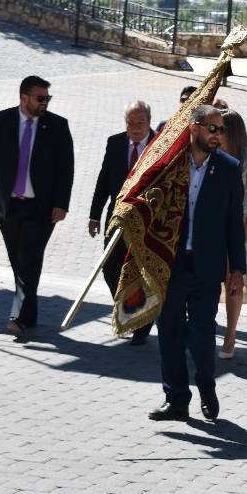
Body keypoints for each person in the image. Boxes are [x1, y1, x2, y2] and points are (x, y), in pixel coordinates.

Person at [150, 105, 246, 422]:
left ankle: (206, 388)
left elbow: (234, 223)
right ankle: (175, 398)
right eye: (212, 128)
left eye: (221, 130)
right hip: (172, 263)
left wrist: (237, 270)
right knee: (170, 330)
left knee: (202, 333)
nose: (218, 135)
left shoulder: (229, 169)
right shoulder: (171, 165)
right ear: (194, 128)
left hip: (207, 266)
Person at [0, 76, 75, 336]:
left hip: (42, 208)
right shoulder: (1, 121)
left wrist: (62, 204)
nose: (45, 103)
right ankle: (31, 314)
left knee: (29, 260)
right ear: (24, 97)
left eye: (48, 98)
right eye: (40, 98)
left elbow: (66, 168)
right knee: (18, 262)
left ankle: (18, 317)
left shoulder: (58, 126)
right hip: (8, 206)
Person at [89, 100, 154, 345]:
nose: (135, 128)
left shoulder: (161, 145)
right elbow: (104, 180)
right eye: (130, 122)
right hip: (116, 220)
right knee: (110, 268)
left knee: (140, 270)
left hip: (147, 224)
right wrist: (95, 215)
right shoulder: (115, 143)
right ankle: (130, 308)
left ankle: (142, 323)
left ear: (149, 121)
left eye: (141, 123)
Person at [216, 109, 247, 359]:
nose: (216, 134)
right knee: (210, 279)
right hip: (211, 229)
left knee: (233, 281)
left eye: (221, 129)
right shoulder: (211, 153)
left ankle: (230, 335)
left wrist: (236, 238)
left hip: (238, 229)